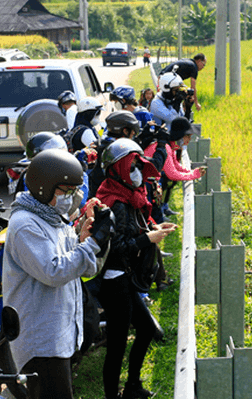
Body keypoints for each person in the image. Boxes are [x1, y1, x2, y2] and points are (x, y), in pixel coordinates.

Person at [2, 149, 115, 399]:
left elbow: (74, 263)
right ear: (44, 187)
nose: (71, 197)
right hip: (41, 342)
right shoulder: (26, 225)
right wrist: (92, 244)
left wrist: (83, 237)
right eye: (65, 191)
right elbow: (54, 270)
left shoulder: (53, 218)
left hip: (57, 334)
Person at [95, 138, 177, 399]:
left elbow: (134, 229)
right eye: (131, 168)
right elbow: (116, 247)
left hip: (126, 278)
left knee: (147, 329)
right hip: (115, 281)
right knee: (117, 346)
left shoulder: (129, 196)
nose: (138, 173)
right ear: (116, 171)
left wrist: (153, 229)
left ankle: (132, 386)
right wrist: (147, 240)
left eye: (139, 167)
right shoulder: (115, 202)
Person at [144, 116, 206, 219]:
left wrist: (191, 172)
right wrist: (193, 174)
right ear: (181, 136)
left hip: (150, 181)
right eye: (188, 136)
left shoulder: (170, 145)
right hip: (147, 183)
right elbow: (172, 173)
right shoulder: (167, 147)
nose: (190, 140)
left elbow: (176, 165)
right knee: (154, 219)